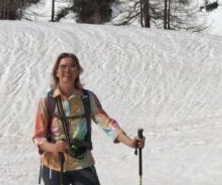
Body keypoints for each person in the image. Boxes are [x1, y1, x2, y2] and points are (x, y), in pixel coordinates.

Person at [33, 52, 145, 185]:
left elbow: (108, 124)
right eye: (63, 66)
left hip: (82, 161)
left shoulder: (87, 98)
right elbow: (38, 138)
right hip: (54, 163)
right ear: (56, 72)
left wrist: (131, 143)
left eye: (72, 66)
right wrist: (54, 147)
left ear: (78, 71)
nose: (67, 70)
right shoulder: (46, 101)